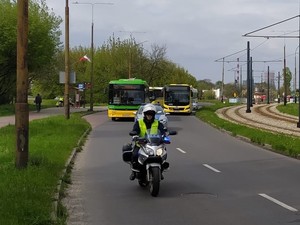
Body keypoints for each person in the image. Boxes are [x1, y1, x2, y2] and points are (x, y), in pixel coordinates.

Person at [129, 103, 166, 180]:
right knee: (135, 155)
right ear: (144, 114)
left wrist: (165, 136)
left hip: (155, 144)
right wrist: (135, 134)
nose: (149, 115)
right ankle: (134, 172)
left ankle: (160, 171)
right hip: (141, 144)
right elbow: (135, 130)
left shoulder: (157, 123)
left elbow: (163, 131)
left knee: (163, 154)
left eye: (151, 114)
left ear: (153, 115)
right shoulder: (139, 122)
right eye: (147, 114)